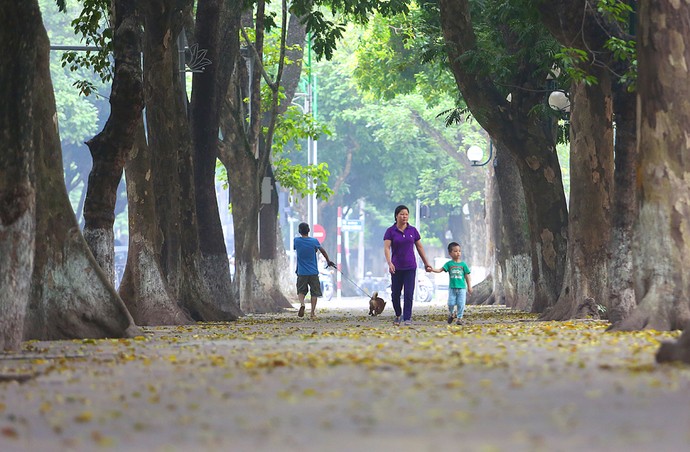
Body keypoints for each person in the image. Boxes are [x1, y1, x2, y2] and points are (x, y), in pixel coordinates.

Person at [383, 205, 433, 326]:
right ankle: (398, 314)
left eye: (406, 214)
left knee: (409, 293)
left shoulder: (413, 230)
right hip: (396, 268)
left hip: (410, 267)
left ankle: (407, 317)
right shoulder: (390, 231)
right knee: (395, 293)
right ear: (396, 216)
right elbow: (386, 247)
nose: (404, 216)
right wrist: (389, 263)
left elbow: (419, 247)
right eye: (401, 214)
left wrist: (426, 263)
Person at [294, 222, 335, 319]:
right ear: (309, 230)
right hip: (313, 272)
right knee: (314, 292)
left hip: (301, 272)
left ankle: (302, 304)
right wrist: (328, 261)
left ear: (299, 231)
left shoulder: (296, 241)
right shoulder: (314, 241)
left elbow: (297, 249)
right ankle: (312, 313)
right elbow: (322, 251)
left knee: (301, 291)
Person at [430, 242, 472, 325]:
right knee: (451, 303)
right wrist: (431, 269)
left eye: (459, 251)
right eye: (455, 251)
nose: (458, 253)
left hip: (462, 288)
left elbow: (467, 276)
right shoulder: (449, 264)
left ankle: (459, 318)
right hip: (452, 288)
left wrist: (469, 287)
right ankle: (452, 314)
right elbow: (440, 270)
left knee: (461, 304)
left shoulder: (463, 264)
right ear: (450, 253)